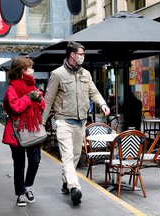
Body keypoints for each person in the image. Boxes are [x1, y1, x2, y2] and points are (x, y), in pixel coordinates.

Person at [42, 41, 110, 206]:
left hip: (81, 122)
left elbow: (93, 91)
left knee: (75, 156)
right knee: (66, 156)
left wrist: (103, 104)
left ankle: (66, 181)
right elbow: (48, 100)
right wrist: (41, 123)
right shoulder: (57, 74)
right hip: (64, 121)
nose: (82, 57)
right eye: (81, 54)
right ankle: (75, 187)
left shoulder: (85, 74)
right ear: (72, 55)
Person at [1, 57, 45, 207]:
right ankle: (20, 193)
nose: (31, 70)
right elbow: (15, 107)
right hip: (16, 131)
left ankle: (27, 186)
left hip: (33, 128)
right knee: (19, 164)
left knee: (35, 160)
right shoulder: (12, 88)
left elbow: (42, 105)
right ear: (21, 70)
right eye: (28, 68)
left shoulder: (32, 85)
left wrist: (39, 99)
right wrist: (28, 97)